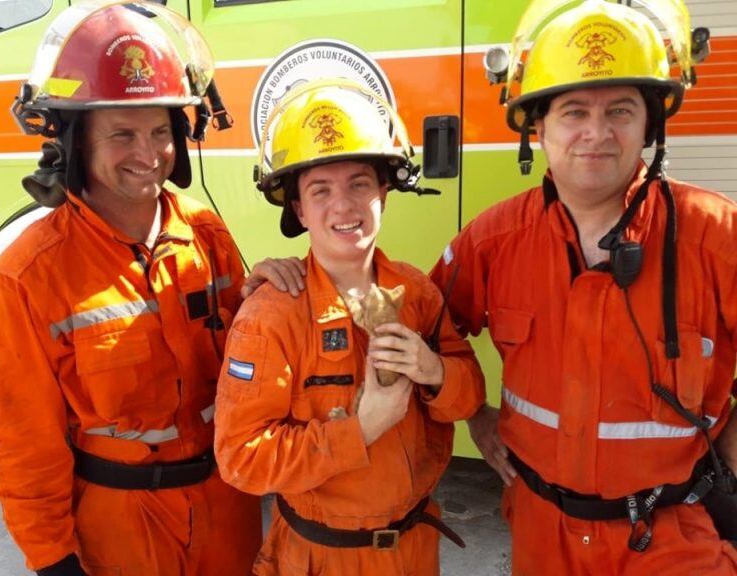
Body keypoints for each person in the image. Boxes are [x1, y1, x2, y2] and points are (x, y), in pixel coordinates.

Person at [0, 2, 300, 574]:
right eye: (122, 134)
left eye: (160, 131)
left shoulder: (204, 231)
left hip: (228, 508)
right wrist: (53, 559)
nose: (147, 155)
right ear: (77, 143)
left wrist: (264, 303)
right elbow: (25, 444)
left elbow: (243, 370)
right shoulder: (27, 276)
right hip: (120, 528)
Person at [430, 0, 737, 573]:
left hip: (674, 539)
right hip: (541, 534)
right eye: (574, 111)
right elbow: (427, 331)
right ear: (537, 126)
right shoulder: (493, 240)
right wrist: (476, 412)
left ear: (651, 124)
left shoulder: (715, 237)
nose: (597, 134)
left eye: (620, 110)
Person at [213, 80, 485, 576]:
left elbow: (467, 400)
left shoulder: (418, 294)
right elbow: (240, 459)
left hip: (413, 550)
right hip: (319, 558)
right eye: (320, 189)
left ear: (385, 192)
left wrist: (434, 370)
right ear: (298, 209)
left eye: (360, 183)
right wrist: (359, 431)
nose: (343, 205)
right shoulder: (272, 315)